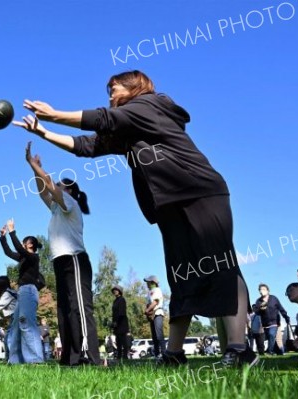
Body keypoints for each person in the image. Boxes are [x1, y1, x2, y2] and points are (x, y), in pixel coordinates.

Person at [14, 70, 255, 368]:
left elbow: (104, 118)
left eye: (113, 88)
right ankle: (174, 354)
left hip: (200, 192)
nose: (110, 94)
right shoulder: (128, 130)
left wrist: (53, 115)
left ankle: (239, 349)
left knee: (220, 266)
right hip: (168, 204)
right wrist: (43, 133)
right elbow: (88, 146)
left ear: (134, 87)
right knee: (181, 276)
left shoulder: (150, 105)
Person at [24, 142, 100, 366]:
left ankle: (87, 354)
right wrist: (34, 169)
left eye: (60, 185)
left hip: (75, 259)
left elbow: (47, 183)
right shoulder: (58, 208)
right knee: (65, 309)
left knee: (79, 307)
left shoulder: (70, 202)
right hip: (61, 260)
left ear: (69, 191)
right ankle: (70, 356)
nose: (56, 186)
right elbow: (42, 191)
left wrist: (33, 164)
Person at [0, 219, 44, 364]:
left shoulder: (33, 257)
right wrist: (3, 237)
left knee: (26, 323)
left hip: (29, 291)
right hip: (22, 292)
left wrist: (12, 231)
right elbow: (9, 252)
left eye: (24, 243)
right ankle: (16, 360)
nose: (22, 246)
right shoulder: (24, 258)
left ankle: (35, 360)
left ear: (29, 244)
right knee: (16, 326)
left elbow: (19, 249)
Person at [253, 284, 290, 355]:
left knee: (271, 335)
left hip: (275, 322)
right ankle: (280, 351)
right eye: (260, 290)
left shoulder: (274, 298)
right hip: (265, 324)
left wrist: (286, 317)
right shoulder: (258, 301)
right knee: (271, 338)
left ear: (268, 291)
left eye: (263, 289)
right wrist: (260, 309)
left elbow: (281, 308)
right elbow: (257, 312)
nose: (261, 291)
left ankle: (270, 351)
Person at [144, 276, 167, 358]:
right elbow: (148, 303)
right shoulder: (149, 292)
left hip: (157, 313)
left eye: (148, 282)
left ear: (153, 282)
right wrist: (147, 310)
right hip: (151, 315)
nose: (147, 283)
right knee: (154, 336)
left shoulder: (157, 290)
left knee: (159, 334)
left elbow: (155, 302)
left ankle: (164, 354)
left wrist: (147, 310)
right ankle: (157, 354)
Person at [111, 285, 130, 361]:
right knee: (118, 340)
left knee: (123, 340)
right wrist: (113, 322)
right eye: (114, 290)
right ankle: (119, 356)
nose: (115, 291)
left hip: (122, 322)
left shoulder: (122, 300)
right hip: (116, 322)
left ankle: (125, 356)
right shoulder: (115, 301)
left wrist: (117, 322)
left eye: (116, 290)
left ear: (120, 291)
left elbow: (122, 312)